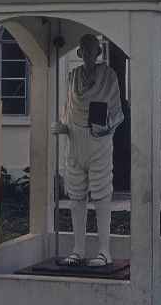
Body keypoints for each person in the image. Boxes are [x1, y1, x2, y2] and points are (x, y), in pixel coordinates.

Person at [51, 33, 123, 267]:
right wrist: (61, 127)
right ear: (80, 52)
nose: (88, 53)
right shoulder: (73, 77)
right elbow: (67, 111)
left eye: (92, 49)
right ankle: (78, 249)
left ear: (98, 52)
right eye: (84, 49)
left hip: (98, 142)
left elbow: (117, 113)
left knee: (101, 195)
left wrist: (106, 127)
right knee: (76, 196)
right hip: (74, 143)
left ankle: (104, 251)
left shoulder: (108, 76)